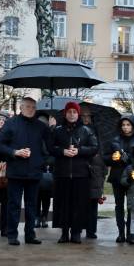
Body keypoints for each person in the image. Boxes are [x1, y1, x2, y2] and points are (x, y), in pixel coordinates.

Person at [0, 96, 51, 246]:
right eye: (28, 107)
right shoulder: (11, 124)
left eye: (33, 107)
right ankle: (12, 235)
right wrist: (14, 152)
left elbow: (51, 146)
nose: (31, 110)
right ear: (21, 107)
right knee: (14, 204)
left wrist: (43, 161)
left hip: (34, 171)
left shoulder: (41, 126)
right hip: (15, 171)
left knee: (32, 205)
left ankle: (30, 235)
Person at [50, 101, 98, 243]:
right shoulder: (58, 130)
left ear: (78, 114)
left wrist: (79, 151)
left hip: (81, 174)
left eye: (74, 112)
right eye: (69, 112)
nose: (72, 115)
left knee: (79, 204)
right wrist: (62, 151)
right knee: (63, 204)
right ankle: (64, 232)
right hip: (62, 173)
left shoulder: (86, 130)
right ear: (65, 113)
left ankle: (76, 232)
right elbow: (51, 148)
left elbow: (95, 148)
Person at [107, 113, 134, 243]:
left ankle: (130, 233)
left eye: (128, 125)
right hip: (117, 176)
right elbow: (106, 158)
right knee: (119, 205)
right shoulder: (115, 140)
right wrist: (113, 158)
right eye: (123, 125)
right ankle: (121, 232)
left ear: (133, 126)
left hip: (132, 177)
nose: (126, 127)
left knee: (132, 206)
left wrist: (131, 159)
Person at [81, 105, 106, 240]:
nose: (85, 118)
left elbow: (100, 150)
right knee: (79, 202)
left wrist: (102, 169)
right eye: (83, 116)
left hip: (95, 170)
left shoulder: (96, 131)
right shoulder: (77, 130)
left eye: (88, 116)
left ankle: (91, 230)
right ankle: (78, 227)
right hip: (81, 168)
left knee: (92, 202)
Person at [38, 113, 56, 228]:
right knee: (36, 195)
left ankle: (44, 216)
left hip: (49, 169)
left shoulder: (51, 135)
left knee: (46, 195)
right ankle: (36, 217)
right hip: (37, 168)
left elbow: (54, 151)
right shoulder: (34, 135)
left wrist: (49, 161)